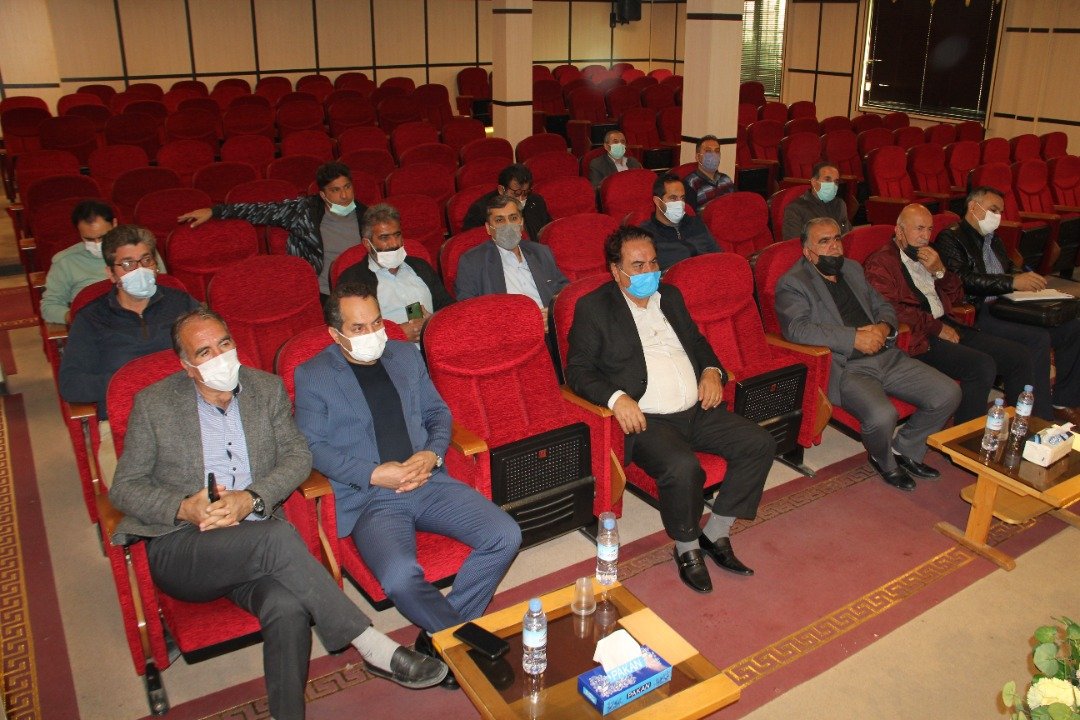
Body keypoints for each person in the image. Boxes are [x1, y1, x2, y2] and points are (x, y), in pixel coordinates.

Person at [108, 308, 447, 720]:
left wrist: (252, 498)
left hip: (255, 541)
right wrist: (183, 507)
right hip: (185, 547)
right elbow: (124, 487)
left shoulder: (264, 389)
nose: (219, 357)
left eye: (224, 344)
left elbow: (297, 456)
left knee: (287, 607)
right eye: (204, 352)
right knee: (277, 537)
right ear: (186, 365)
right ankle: (371, 644)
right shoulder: (154, 404)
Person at [293, 283, 521, 687]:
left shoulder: (404, 355)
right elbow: (312, 448)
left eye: (376, 323)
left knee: (506, 534)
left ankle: (440, 636)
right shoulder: (313, 375)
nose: (372, 334)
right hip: (371, 497)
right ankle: (462, 644)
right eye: (359, 328)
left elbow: (438, 413)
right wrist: (374, 473)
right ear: (335, 333)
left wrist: (431, 454)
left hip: (427, 479)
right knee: (399, 576)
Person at [565, 226, 774, 595]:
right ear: (616, 271)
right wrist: (617, 398)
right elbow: (578, 371)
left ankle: (717, 532)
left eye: (653, 263)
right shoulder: (594, 308)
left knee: (759, 443)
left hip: (698, 409)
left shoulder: (671, 296)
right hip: (649, 420)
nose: (649, 272)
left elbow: (697, 342)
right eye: (638, 266)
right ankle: (687, 547)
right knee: (682, 467)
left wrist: (712, 371)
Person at [775, 217, 960, 491]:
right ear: (808, 252)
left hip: (886, 355)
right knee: (882, 416)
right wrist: (854, 338)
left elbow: (883, 306)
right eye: (824, 242)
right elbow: (796, 329)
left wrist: (883, 328)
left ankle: (906, 448)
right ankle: (883, 460)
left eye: (837, 239)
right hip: (848, 367)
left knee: (948, 393)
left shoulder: (851, 268)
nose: (834, 246)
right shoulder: (793, 283)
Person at [864, 204, 1034, 423]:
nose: (925, 236)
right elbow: (890, 310)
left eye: (929, 229)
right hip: (918, 336)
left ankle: (1024, 425)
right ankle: (965, 438)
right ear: (899, 231)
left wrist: (939, 271)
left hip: (946, 323)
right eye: (919, 229)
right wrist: (936, 328)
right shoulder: (881, 263)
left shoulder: (930, 254)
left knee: (1019, 355)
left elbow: (957, 296)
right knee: (981, 366)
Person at [936, 186, 1080, 424]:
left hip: (1007, 304)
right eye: (993, 210)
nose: (998, 216)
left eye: (1000, 211)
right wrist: (1012, 282)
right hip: (979, 311)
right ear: (973, 207)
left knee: (1072, 328)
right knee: (1038, 339)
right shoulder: (951, 238)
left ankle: (1064, 400)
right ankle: (1037, 418)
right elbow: (962, 280)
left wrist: (1025, 278)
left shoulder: (992, 238)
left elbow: (1007, 267)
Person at [59, 225, 199, 419]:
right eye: (128, 264)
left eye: (146, 260)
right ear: (111, 274)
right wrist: (133, 380)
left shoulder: (182, 303)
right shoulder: (91, 319)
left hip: (189, 407)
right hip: (127, 416)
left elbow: (217, 351)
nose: (140, 270)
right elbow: (71, 384)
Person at [177, 161, 368, 297]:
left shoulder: (366, 215)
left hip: (365, 286)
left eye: (347, 187)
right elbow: (260, 211)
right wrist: (215, 211)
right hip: (324, 292)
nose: (344, 195)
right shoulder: (304, 212)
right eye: (335, 190)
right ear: (323, 195)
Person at [335, 204, 454, 343]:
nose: (394, 244)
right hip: (388, 351)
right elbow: (352, 333)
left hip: (436, 343)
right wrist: (396, 333)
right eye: (384, 238)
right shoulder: (352, 279)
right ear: (367, 244)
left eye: (397, 235)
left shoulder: (421, 267)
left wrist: (433, 320)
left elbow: (450, 308)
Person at [455, 194, 568, 315]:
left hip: (548, 321)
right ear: (488, 228)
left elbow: (564, 291)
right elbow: (468, 310)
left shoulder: (541, 252)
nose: (508, 225)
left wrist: (553, 314)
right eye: (499, 220)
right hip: (507, 324)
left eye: (513, 218)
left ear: (522, 223)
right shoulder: (472, 261)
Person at [40, 200, 117, 325]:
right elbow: (49, 306)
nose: (97, 244)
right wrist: (77, 317)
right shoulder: (65, 261)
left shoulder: (137, 252)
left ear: (115, 224)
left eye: (103, 237)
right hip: (94, 325)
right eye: (89, 239)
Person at [638, 173, 720, 271]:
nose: (679, 203)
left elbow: (719, 256)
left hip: (709, 273)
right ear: (657, 201)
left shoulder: (696, 223)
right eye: (673, 198)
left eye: (682, 198)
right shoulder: (645, 235)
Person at [461, 163, 552, 244]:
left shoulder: (536, 201)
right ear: (501, 190)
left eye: (525, 193)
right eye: (516, 193)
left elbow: (548, 232)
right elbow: (472, 242)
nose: (521, 199)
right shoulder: (481, 210)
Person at [781, 162, 852, 242]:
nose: (833, 185)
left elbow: (847, 237)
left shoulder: (840, 204)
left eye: (836, 182)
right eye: (827, 180)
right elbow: (793, 243)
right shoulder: (795, 208)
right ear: (814, 182)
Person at [683, 135, 735, 212]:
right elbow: (690, 214)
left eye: (717, 151)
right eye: (708, 151)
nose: (714, 155)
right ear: (698, 157)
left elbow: (735, 204)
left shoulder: (726, 179)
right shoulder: (690, 183)